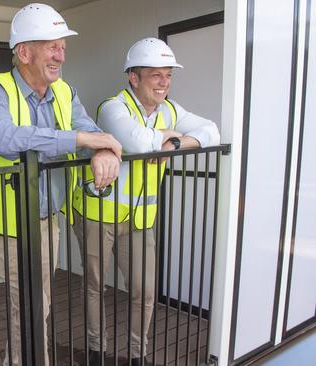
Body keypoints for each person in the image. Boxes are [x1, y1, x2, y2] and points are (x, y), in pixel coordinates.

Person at [0, 3, 122, 365]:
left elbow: (93, 131)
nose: (61, 55)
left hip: (47, 219)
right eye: (52, 46)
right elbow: (6, 139)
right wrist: (81, 142)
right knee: (31, 304)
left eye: (63, 47)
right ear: (24, 52)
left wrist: (104, 152)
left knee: (35, 304)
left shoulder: (64, 92)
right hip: (10, 226)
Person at [71, 37, 220, 366]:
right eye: (155, 75)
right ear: (133, 78)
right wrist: (165, 138)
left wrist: (174, 141)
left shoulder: (170, 110)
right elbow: (137, 143)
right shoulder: (113, 107)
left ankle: (138, 356)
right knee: (95, 287)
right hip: (98, 213)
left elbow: (212, 131)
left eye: (168, 75)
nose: (164, 82)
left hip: (140, 218)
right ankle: (97, 351)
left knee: (145, 291)